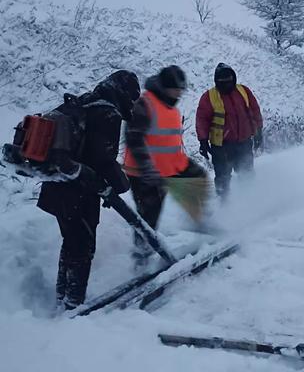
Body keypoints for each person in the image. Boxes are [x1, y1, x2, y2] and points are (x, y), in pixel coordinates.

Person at [37, 70, 141, 310]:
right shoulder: (107, 113)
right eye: (132, 98)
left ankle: (62, 298)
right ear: (123, 93)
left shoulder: (84, 102)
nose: (131, 104)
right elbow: (102, 159)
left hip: (58, 182)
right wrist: (121, 185)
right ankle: (73, 306)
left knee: (71, 242)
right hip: (78, 191)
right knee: (83, 248)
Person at [124, 65, 208, 268]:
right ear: (165, 87)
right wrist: (147, 168)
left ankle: (199, 221)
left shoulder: (170, 105)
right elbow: (133, 138)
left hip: (171, 167)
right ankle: (141, 257)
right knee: (148, 216)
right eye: (176, 88)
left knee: (198, 178)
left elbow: (166, 141)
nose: (179, 93)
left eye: (181, 89)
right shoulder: (145, 104)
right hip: (144, 173)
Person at [195, 63, 263, 199]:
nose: (226, 84)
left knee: (247, 173)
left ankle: (250, 201)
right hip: (221, 147)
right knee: (222, 178)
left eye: (229, 81)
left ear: (234, 79)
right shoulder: (209, 97)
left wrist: (258, 132)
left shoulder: (243, 91)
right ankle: (224, 204)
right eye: (222, 82)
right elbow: (202, 120)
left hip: (244, 143)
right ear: (216, 81)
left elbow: (255, 111)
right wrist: (203, 141)